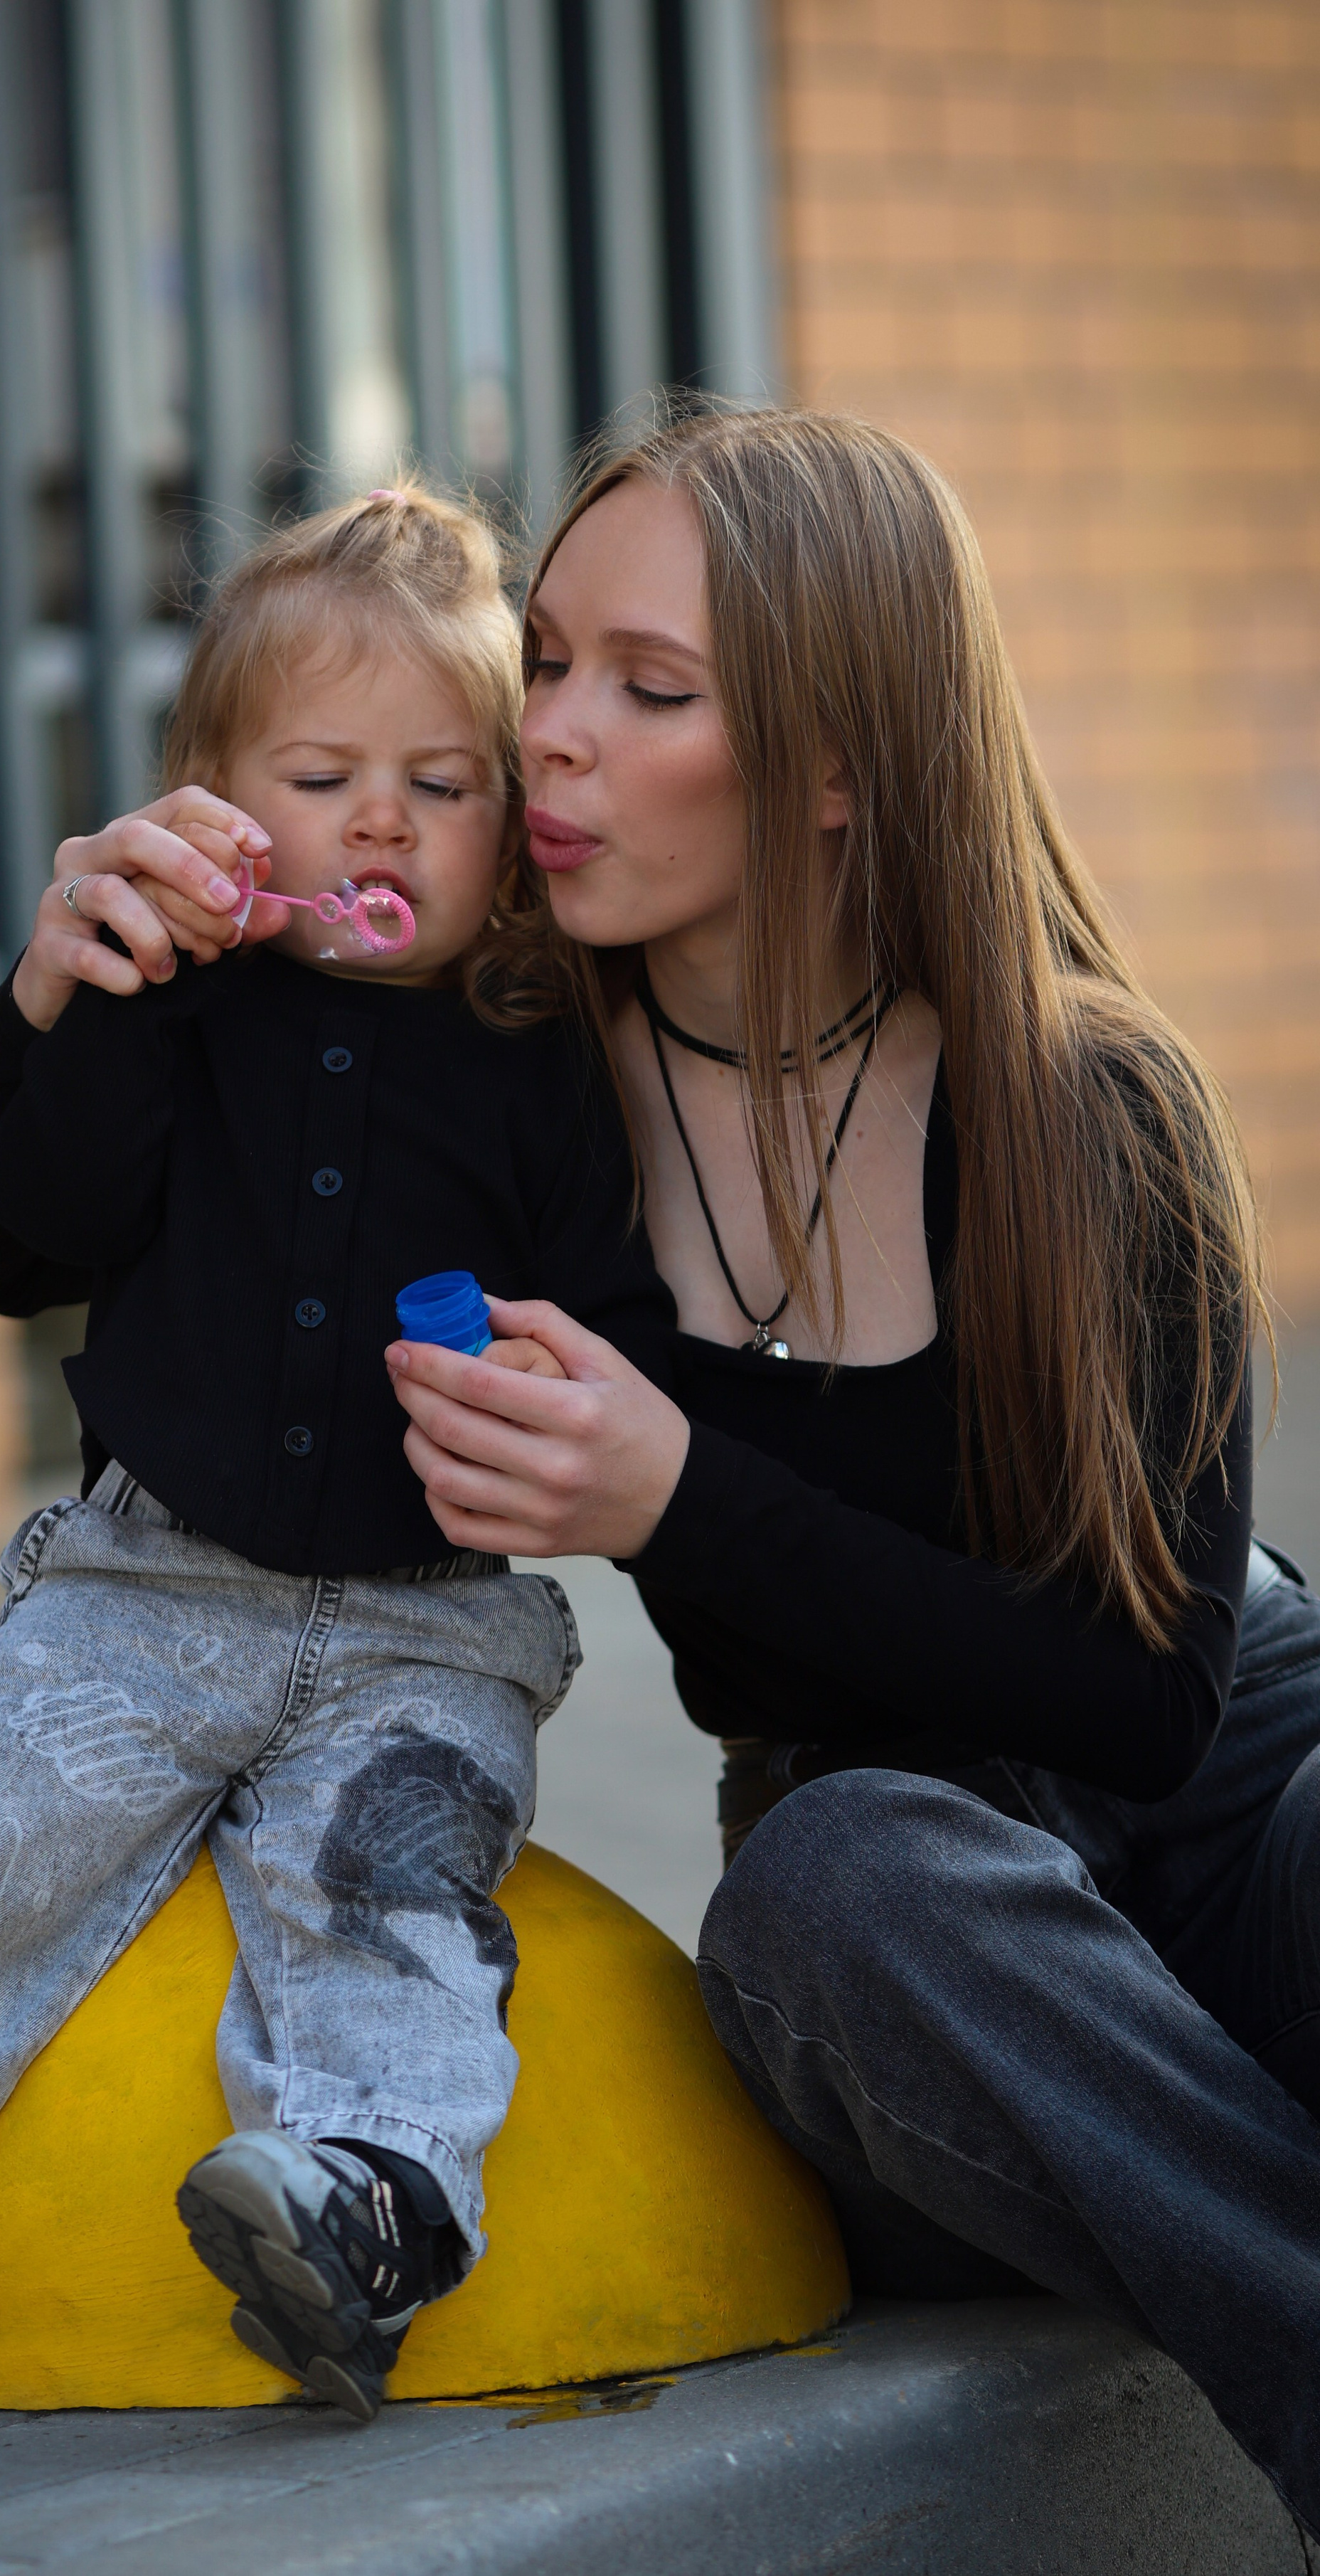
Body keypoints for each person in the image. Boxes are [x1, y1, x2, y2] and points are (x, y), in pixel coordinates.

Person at [0, 485, 672, 2425]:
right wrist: (77, 996)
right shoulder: (171, 1004)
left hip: (433, 1625)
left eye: (443, 778)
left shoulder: (549, 1054)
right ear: (211, 800)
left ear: (517, 824)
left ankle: (362, 2206)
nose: (384, 821)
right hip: (146, 1586)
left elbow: (615, 1334)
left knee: (388, 1889)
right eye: (322, 774)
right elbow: (13, 1228)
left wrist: (568, 1399)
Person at [384, 404, 1320, 2531]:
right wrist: (84, 999)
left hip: (1241, 1796)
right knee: (827, 1889)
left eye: (650, 687)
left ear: (834, 763)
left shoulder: (1089, 1100)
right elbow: (76, 1220)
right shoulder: (522, 1114)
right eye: (543, 661)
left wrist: (682, 1497)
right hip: (921, 1937)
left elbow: (1154, 1699)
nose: (552, 735)